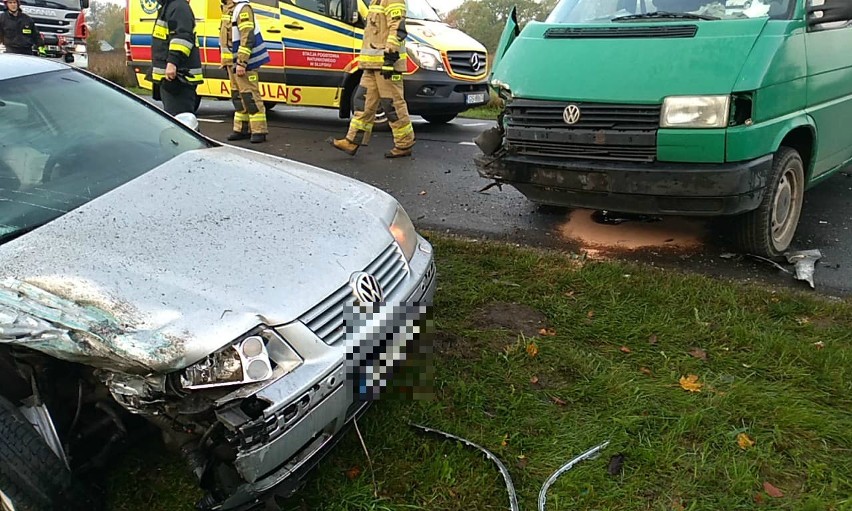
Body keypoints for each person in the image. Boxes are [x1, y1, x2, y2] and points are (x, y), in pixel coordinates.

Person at [328, 0, 415, 158]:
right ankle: (352, 140)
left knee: (393, 104)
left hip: (386, 64)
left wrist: (390, 58)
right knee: (362, 102)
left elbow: (397, 29)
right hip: (371, 64)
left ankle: (404, 144)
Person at [220, 0, 270, 143]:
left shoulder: (242, 8)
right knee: (237, 96)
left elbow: (247, 37)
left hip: (242, 63)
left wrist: (242, 62)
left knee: (250, 96)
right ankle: (242, 129)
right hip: (232, 63)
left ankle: (259, 131)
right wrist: (226, 62)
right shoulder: (227, 8)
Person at [149, 0, 203, 116]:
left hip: (179, 78)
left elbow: (182, 38)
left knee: (181, 121)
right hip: (172, 78)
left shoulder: (178, 7)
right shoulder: (170, 6)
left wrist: (172, 62)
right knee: (178, 121)